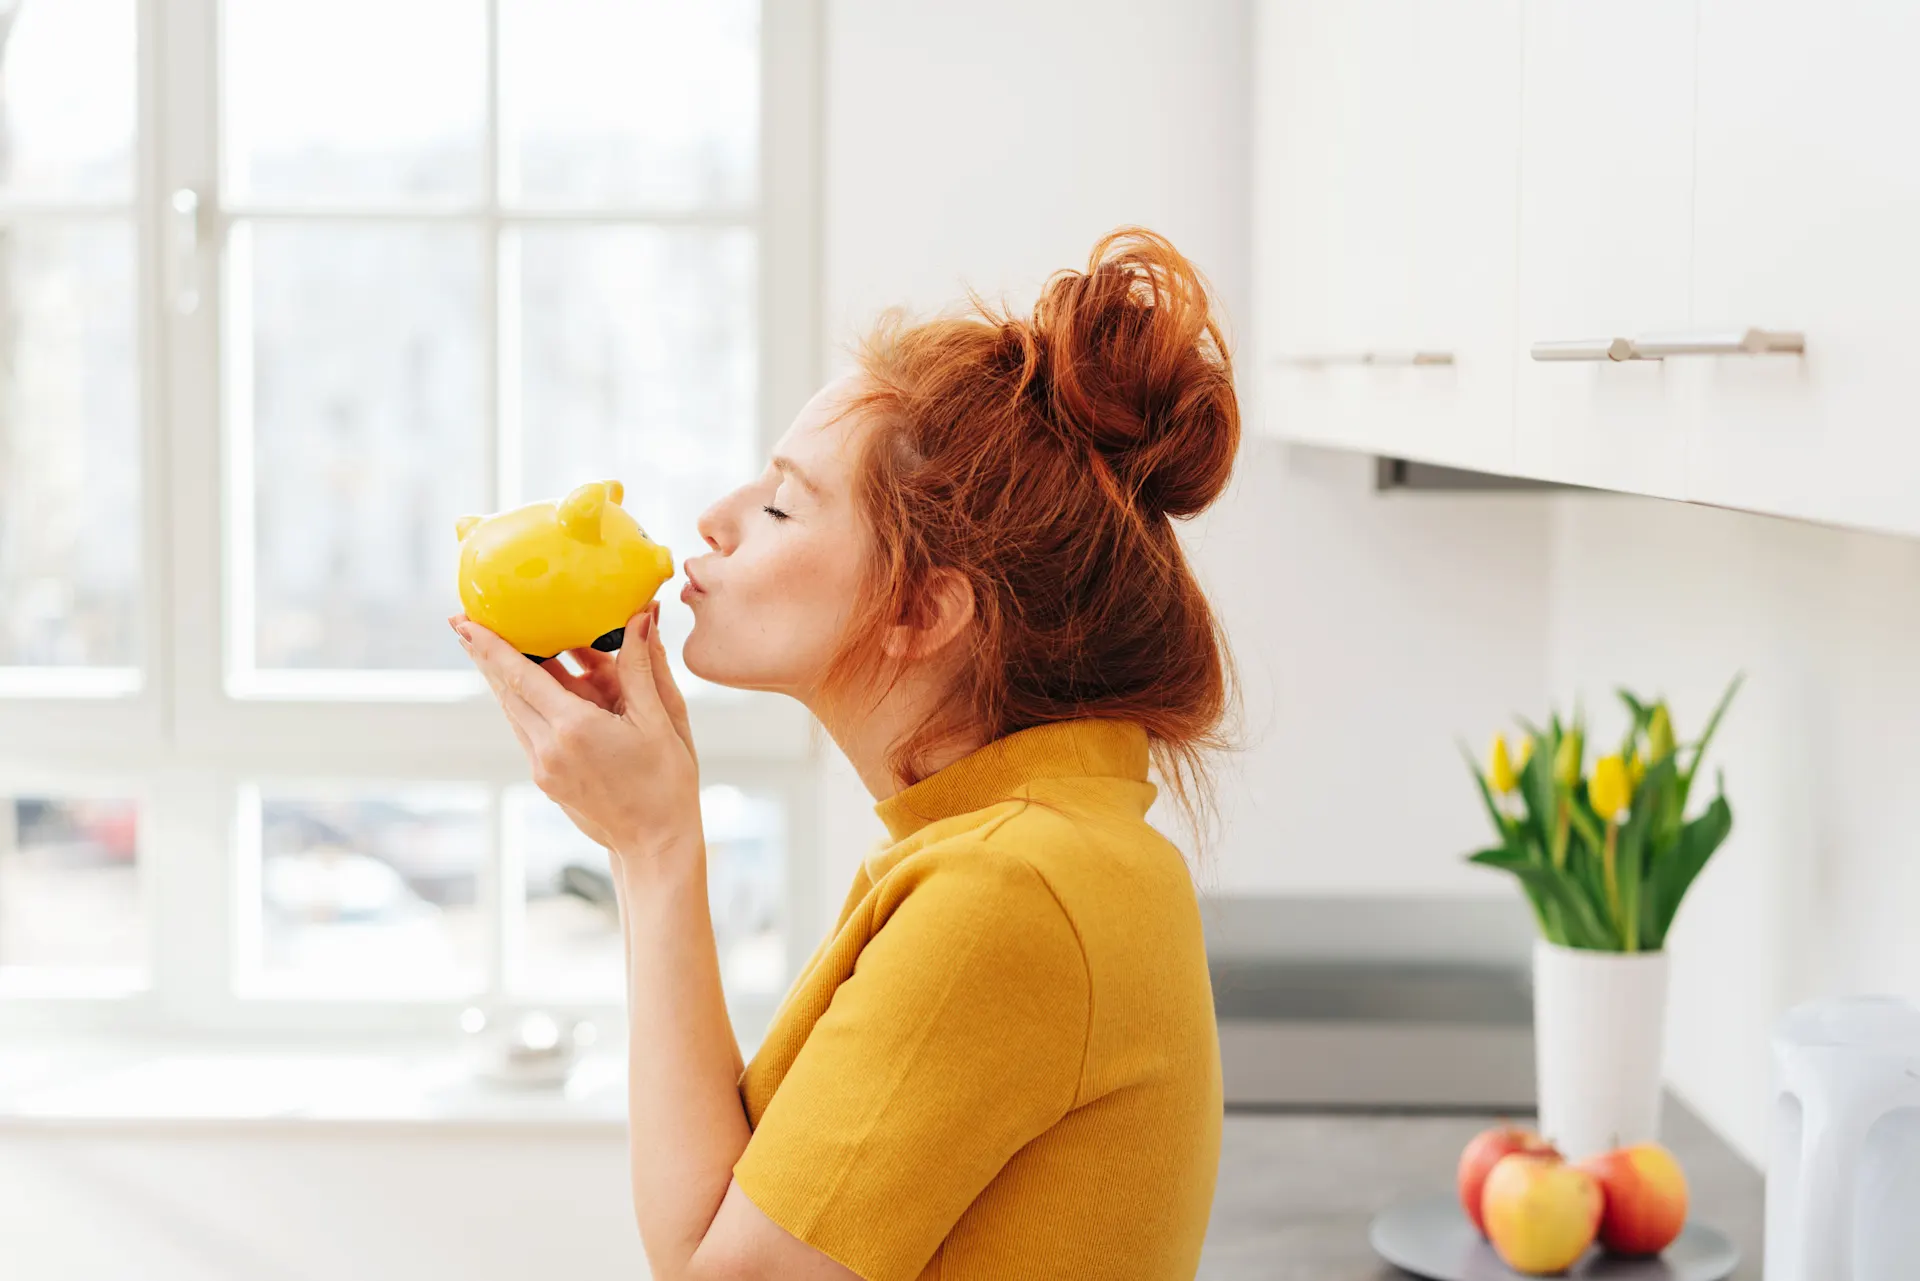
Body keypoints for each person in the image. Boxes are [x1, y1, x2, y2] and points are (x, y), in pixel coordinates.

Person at [452, 226, 1239, 1281]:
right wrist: (652, 836)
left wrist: (652, 846)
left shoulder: (1009, 893)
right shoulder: (1038, 850)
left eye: (780, 504)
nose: (716, 520)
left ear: (922, 607)